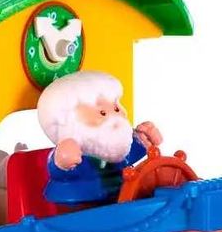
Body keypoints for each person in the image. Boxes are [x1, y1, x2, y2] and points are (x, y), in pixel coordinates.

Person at [37, 71, 162, 206]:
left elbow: (129, 154)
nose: (116, 117)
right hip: (84, 202)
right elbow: (58, 171)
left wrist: (145, 140)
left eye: (116, 108)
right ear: (67, 121)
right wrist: (61, 161)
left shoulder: (114, 149)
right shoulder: (74, 154)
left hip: (123, 194)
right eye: (102, 112)